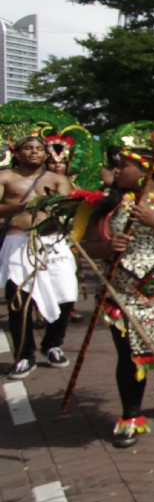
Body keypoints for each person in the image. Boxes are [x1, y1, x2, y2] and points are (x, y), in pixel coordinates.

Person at [82, 124, 154, 446]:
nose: (116, 171)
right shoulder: (107, 206)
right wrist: (108, 246)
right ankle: (130, 414)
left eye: (123, 165)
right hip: (122, 296)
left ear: (147, 169)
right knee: (129, 357)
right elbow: (87, 246)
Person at [0, 133, 77, 379]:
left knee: (67, 295)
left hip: (53, 242)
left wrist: (58, 205)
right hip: (17, 241)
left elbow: (69, 206)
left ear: (45, 154)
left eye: (38, 148)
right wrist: (22, 207)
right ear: (17, 153)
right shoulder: (5, 177)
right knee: (19, 299)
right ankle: (24, 355)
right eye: (28, 148)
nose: (34, 152)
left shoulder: (58, 179)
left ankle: (52, 345)